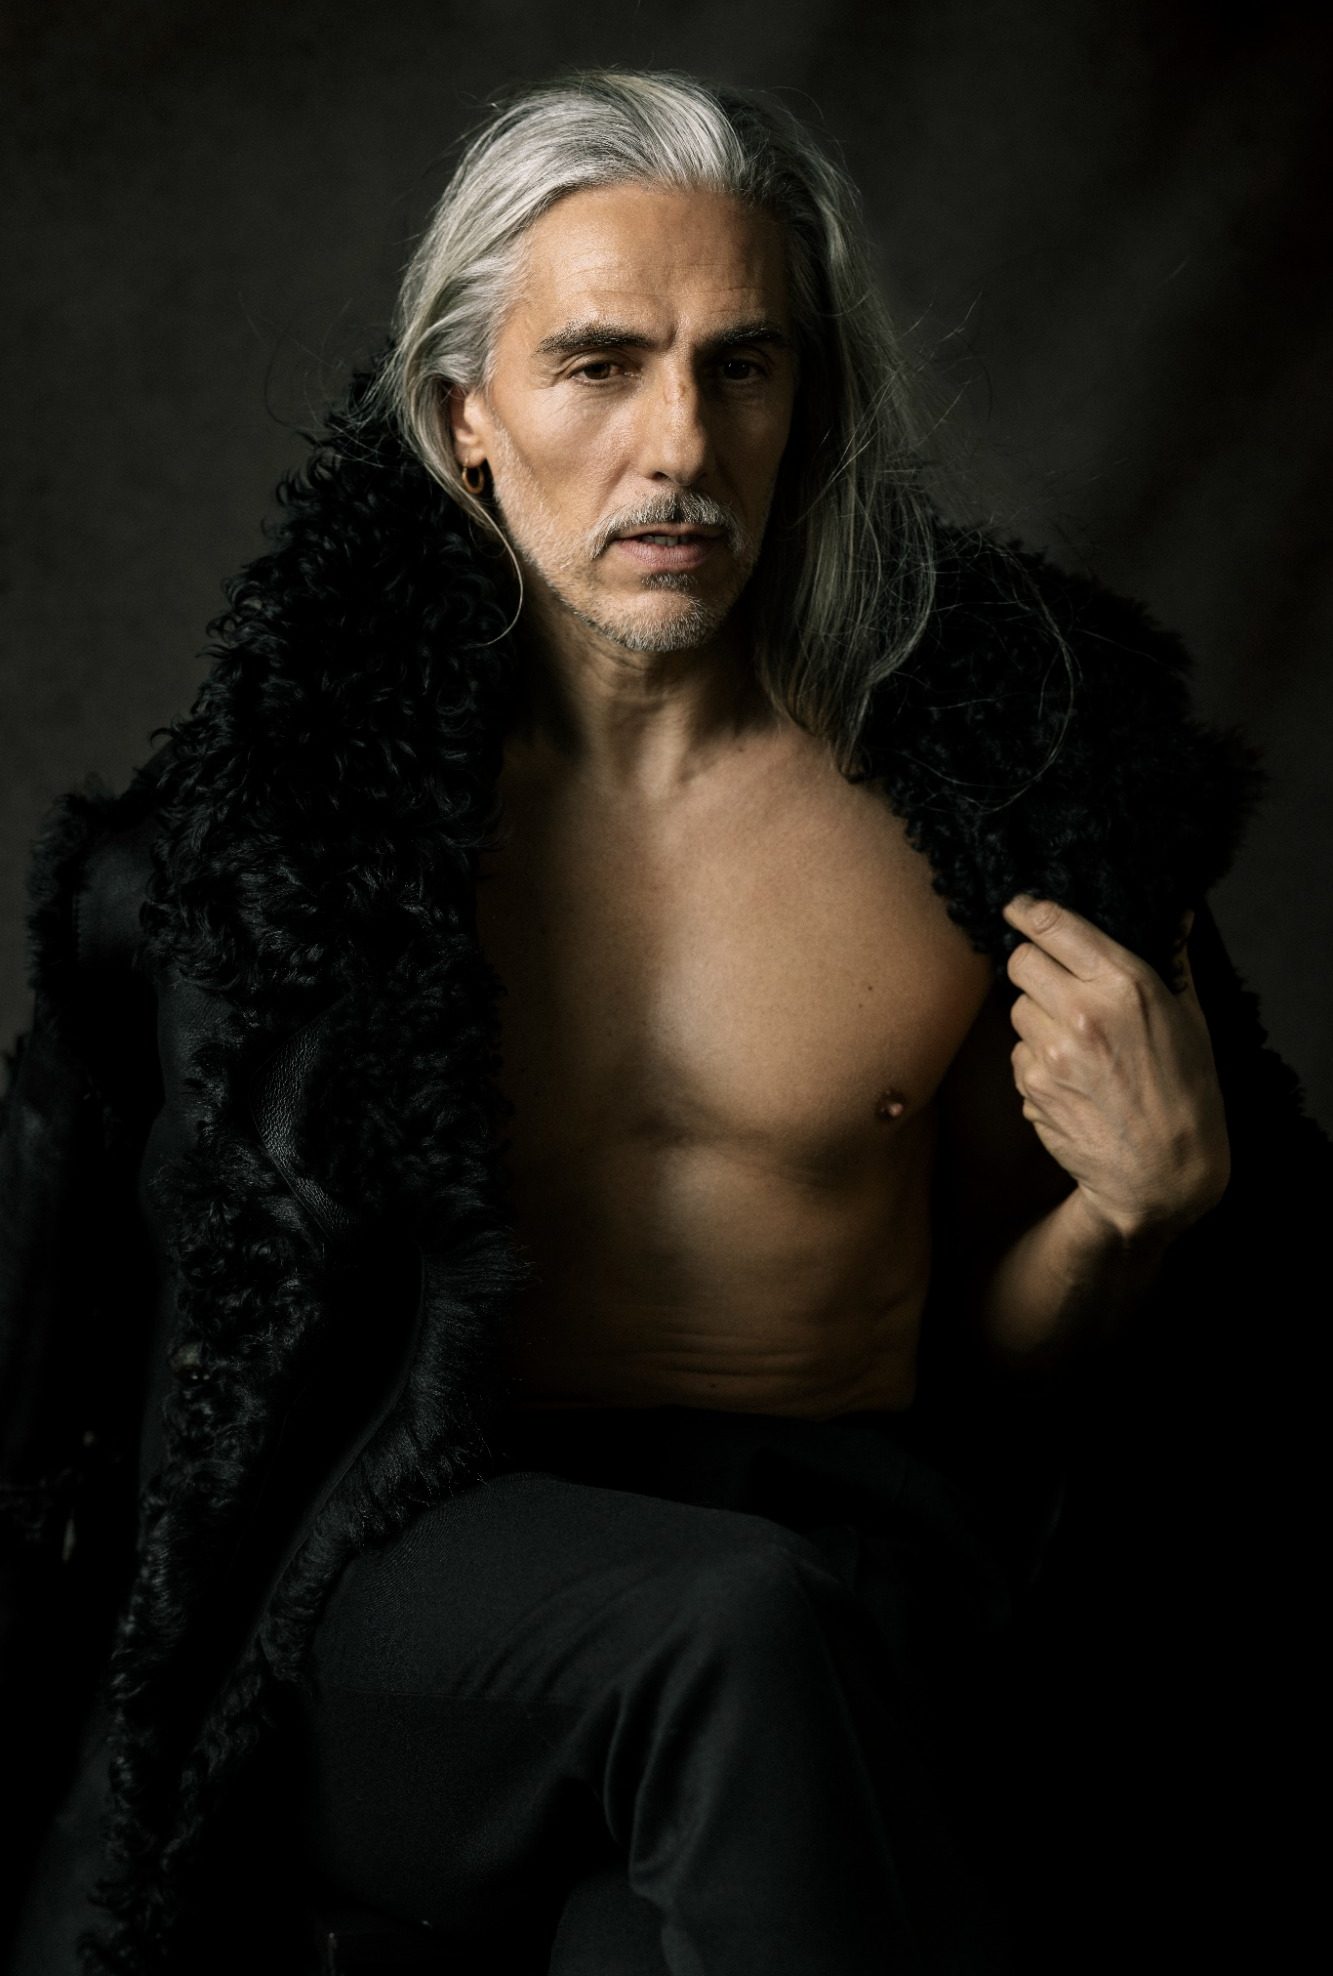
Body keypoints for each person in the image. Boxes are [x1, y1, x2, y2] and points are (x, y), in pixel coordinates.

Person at [2, 67, 1326, 1976]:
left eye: (741, 368)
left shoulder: (985, 827)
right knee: (729, 1625)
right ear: (464, 418)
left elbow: (987, 1376)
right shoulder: (290, 862)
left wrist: (1133, 1216)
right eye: (599, 366)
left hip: (835, 1556)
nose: (679, 445)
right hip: (409, 1592)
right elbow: (108, 1373)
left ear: (809, 405)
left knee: (713, 1798)